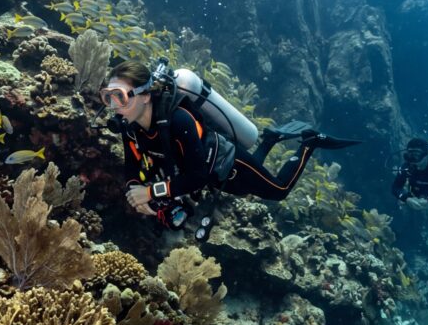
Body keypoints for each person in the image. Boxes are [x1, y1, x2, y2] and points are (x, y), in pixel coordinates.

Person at [101, 60, 358, 228]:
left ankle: (310, 142)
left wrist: (149, 193)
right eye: (108, 97)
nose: (114, 107)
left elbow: (197, 176)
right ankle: (269, 139)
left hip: (230, 164)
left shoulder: (178, 120)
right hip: (215, 177)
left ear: (145, 95)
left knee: (278, 191)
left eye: (120, 97)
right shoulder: (129, 126)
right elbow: (132, 165)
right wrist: (134, 190)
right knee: (243, 192)